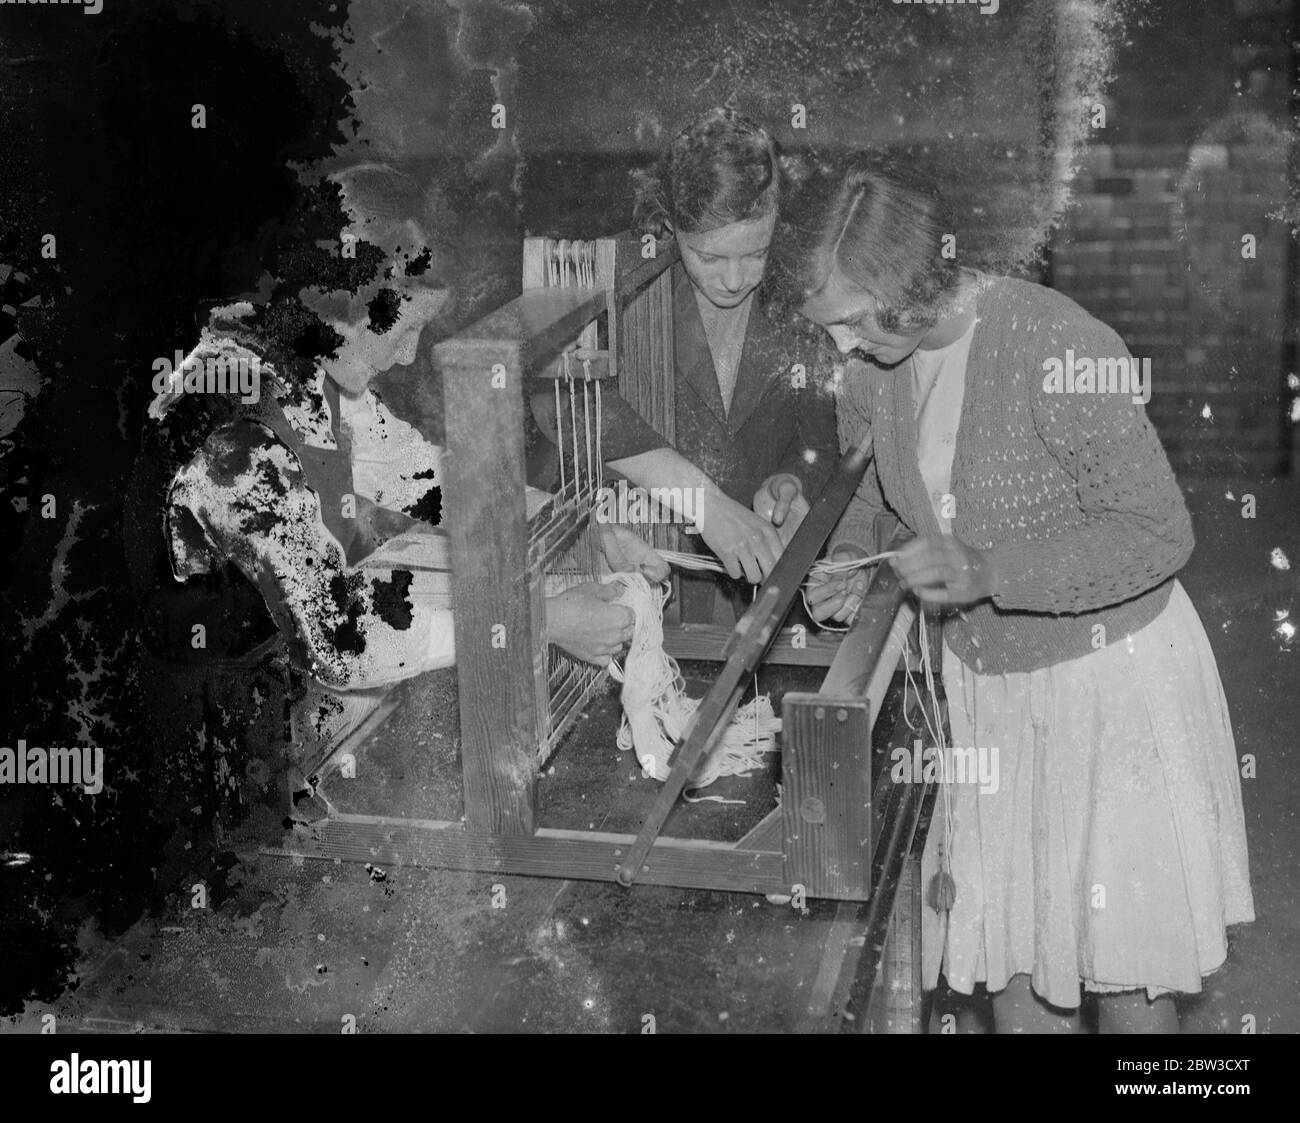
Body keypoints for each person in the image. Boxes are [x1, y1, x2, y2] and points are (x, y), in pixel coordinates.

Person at [783, 155, 1254, 1033]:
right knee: (1018, 971)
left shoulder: (1058, 341)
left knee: (1125, 974)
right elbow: (880, 497)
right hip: (993, 696)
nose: (840, 349)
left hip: (1110, 687)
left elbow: (1158, 532)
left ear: (910, 287)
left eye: (849, 324)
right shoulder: (872, 371)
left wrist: (991, 572)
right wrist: (843, 563)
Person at [154, 162, 666, 777]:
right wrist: (543, 622)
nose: (408, 356)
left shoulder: (305, 362)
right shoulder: (236, 443)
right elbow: (345, 644)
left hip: (274, 665)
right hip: (191, 728)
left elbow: (423, 479)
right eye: (405, 328)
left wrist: (586, 527)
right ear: (341, 303)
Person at [537, 107, 840, 622]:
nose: (734, 278)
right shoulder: (614, 272)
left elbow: (818, 440)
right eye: (709, 257)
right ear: (672, 225)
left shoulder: (801, 295)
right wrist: (705, 504)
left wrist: (793, 484)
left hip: (744, 595)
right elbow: (559, 399)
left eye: (755, 252)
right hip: (627, 575)